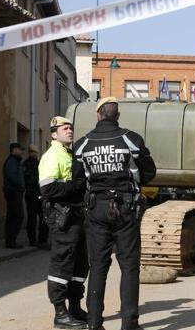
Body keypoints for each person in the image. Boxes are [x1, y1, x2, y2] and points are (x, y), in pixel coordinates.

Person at [74, 97, 156, 330]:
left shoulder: (83, 143)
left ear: (98, 115)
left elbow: (78, 178)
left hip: (96, 208)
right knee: (129, 266)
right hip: (125, 207)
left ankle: (94, 323)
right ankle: (129, 324)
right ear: (117, 116)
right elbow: (149, 172)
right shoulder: (131, 139)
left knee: (98, 265)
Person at [39, 116, 89, 329]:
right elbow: (48, 189)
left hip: (76, 214)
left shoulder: (70, 153)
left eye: (71, 128)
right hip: (62, 217)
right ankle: (60, 313)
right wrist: (76, 186)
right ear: (54, 134)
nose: (69, 131)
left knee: (80, 263)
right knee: (62, 263)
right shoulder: (52, 155)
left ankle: (75, 307)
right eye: (64, 128)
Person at [2, 142, 26, 249]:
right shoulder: (12, 161)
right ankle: (11, 241)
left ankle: (11, 241)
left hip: (15, 192)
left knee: (15, 216)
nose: (21, 152)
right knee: (16, 216)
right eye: (20, 149)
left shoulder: (15, 161)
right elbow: (12, 176)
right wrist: (20, 186)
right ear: (14, 150)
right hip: (13, 192)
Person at [24, 144, 48, 247]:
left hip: (40, 194)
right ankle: (32, 240)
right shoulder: (25, 164)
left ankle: (42, 240)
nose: (34, 154)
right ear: (29, 153)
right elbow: (28, 180)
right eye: (32, 152)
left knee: (43, 217)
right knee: (32, 219)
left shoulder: (39, 164)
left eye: (35, 152)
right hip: (31, 194)